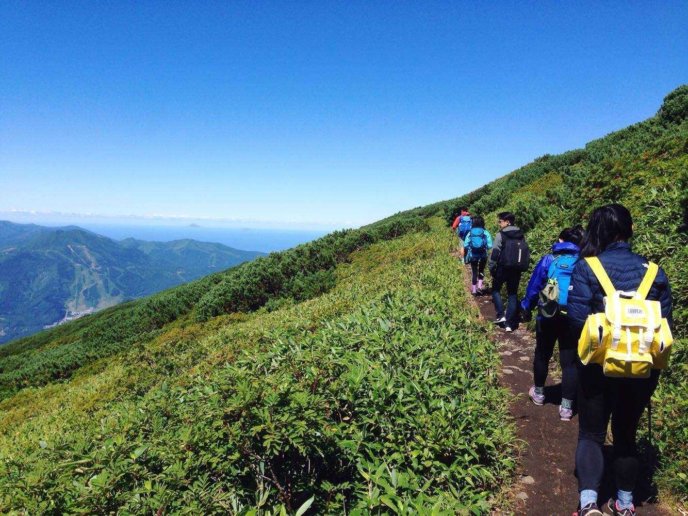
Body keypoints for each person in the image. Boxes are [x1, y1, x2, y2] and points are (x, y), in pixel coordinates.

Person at [568, 204, 672, 516]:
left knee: (591, 433)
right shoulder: (654, 272)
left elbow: (576, 320)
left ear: (597, 230)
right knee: (627, 433)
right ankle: (625, 504)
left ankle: (589, 504)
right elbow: (665, 321)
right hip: (642, 368)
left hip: (599, 364)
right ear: (629, 230)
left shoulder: (588, 268)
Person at [520, 226, 584, 421]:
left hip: (548, 314)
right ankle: (566, 408)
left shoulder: (549, 260)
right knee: (569, 362)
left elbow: (535, 286)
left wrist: (526, 307)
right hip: (572, 317)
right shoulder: (583, 262)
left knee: (542, 353)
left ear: (561, 240)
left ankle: (539, 393)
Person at [489, 211, 529, 332]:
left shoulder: (500, 235)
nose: (499, 224)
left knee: (495, 289)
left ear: (507, 222)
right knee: (512, 294)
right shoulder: (521, 235)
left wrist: (491, 268)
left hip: (503, 267)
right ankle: (510, 324)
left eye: (500, 221)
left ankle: (501, 315)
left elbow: (495, 252)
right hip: (516, 269)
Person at [462, 215, 493, 295]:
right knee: (481, 270)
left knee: (474, 271)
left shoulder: (470, 232)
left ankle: (474, 290)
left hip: (473, 255)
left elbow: (465, 245)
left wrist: (467, 253)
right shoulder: (485, 232)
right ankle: (479, 286)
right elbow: (490, 245)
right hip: (483, 255)